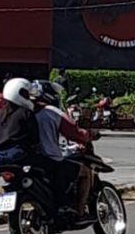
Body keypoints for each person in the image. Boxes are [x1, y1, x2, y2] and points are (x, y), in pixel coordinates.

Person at [30, 79, 93, 217]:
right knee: (85, 172)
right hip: (51, 160)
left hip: (30, 160)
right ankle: (79, 210)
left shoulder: (24, 112)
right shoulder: (51, 112)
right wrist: (88, 136)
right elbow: (73, 132)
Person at [0, 77, 39, 166]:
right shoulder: (26, 113)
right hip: (20, 155)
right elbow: (35, 138)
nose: (29, 98)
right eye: (27, 95)